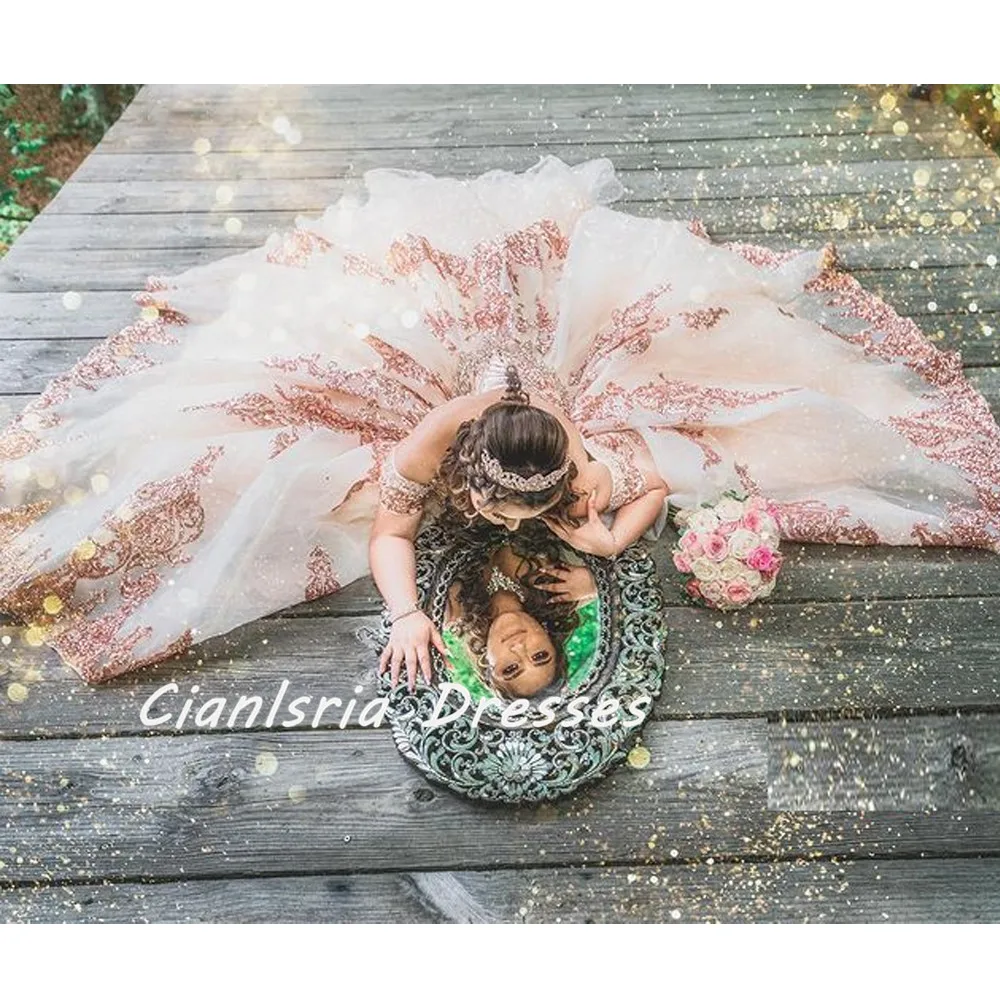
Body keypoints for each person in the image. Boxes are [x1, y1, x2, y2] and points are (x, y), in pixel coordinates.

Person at [2, 155, 999, 685]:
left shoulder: (574, 462)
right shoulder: (433, 444)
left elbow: (639, 486)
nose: (519, 516)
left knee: (729, 387)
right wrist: (403, 611)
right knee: (231, 458)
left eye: (551, 495)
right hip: (435, 383)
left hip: (533, 401)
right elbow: (395, 527)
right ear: (473, 479)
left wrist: (612, 528)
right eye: (497, 503)